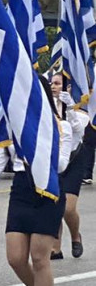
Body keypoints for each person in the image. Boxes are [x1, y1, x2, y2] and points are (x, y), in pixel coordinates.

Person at [0, 72, 87, 286]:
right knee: (15, 258)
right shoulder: (15, 127)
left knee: (39, 258)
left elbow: (61, 165)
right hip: (22, 189)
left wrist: (39, 142)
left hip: (47, 190)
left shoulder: (60, 126)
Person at [61, 80, 95, 260]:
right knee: (52, 205)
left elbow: (78, 130)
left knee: (67, 208)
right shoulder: (45, 110)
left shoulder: (82, 114)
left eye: (59, 84)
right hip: (54, 161)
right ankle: (55, 246)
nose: (55, 87)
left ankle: (75, 236)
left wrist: (69, 107)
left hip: (73, 160)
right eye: (52, 83)